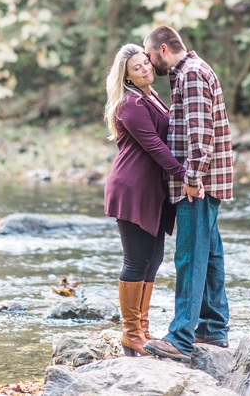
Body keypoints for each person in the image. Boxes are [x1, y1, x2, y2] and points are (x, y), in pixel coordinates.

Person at [141, 26, 234, 362]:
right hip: (208, 181)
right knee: (209, 256)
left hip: (198, 184)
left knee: (190, 258)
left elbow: (201, 134)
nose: (150, 64)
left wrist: (191, 178)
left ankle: (181, 338)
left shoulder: (192, 75)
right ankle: (212, 327)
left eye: (149, 56)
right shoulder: (192, 71)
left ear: (163, 49)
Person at [103, 43, 190, 356]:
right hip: (132, 188)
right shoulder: (130, 104)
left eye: (145, 63)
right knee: (136, 260)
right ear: (126, 77)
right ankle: (131, 334)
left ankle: (143, 330)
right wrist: (186, 176)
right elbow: (154, 146)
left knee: (153, 260)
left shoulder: (150, 95)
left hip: (153, 189)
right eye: (136, 68)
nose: (145, 69)